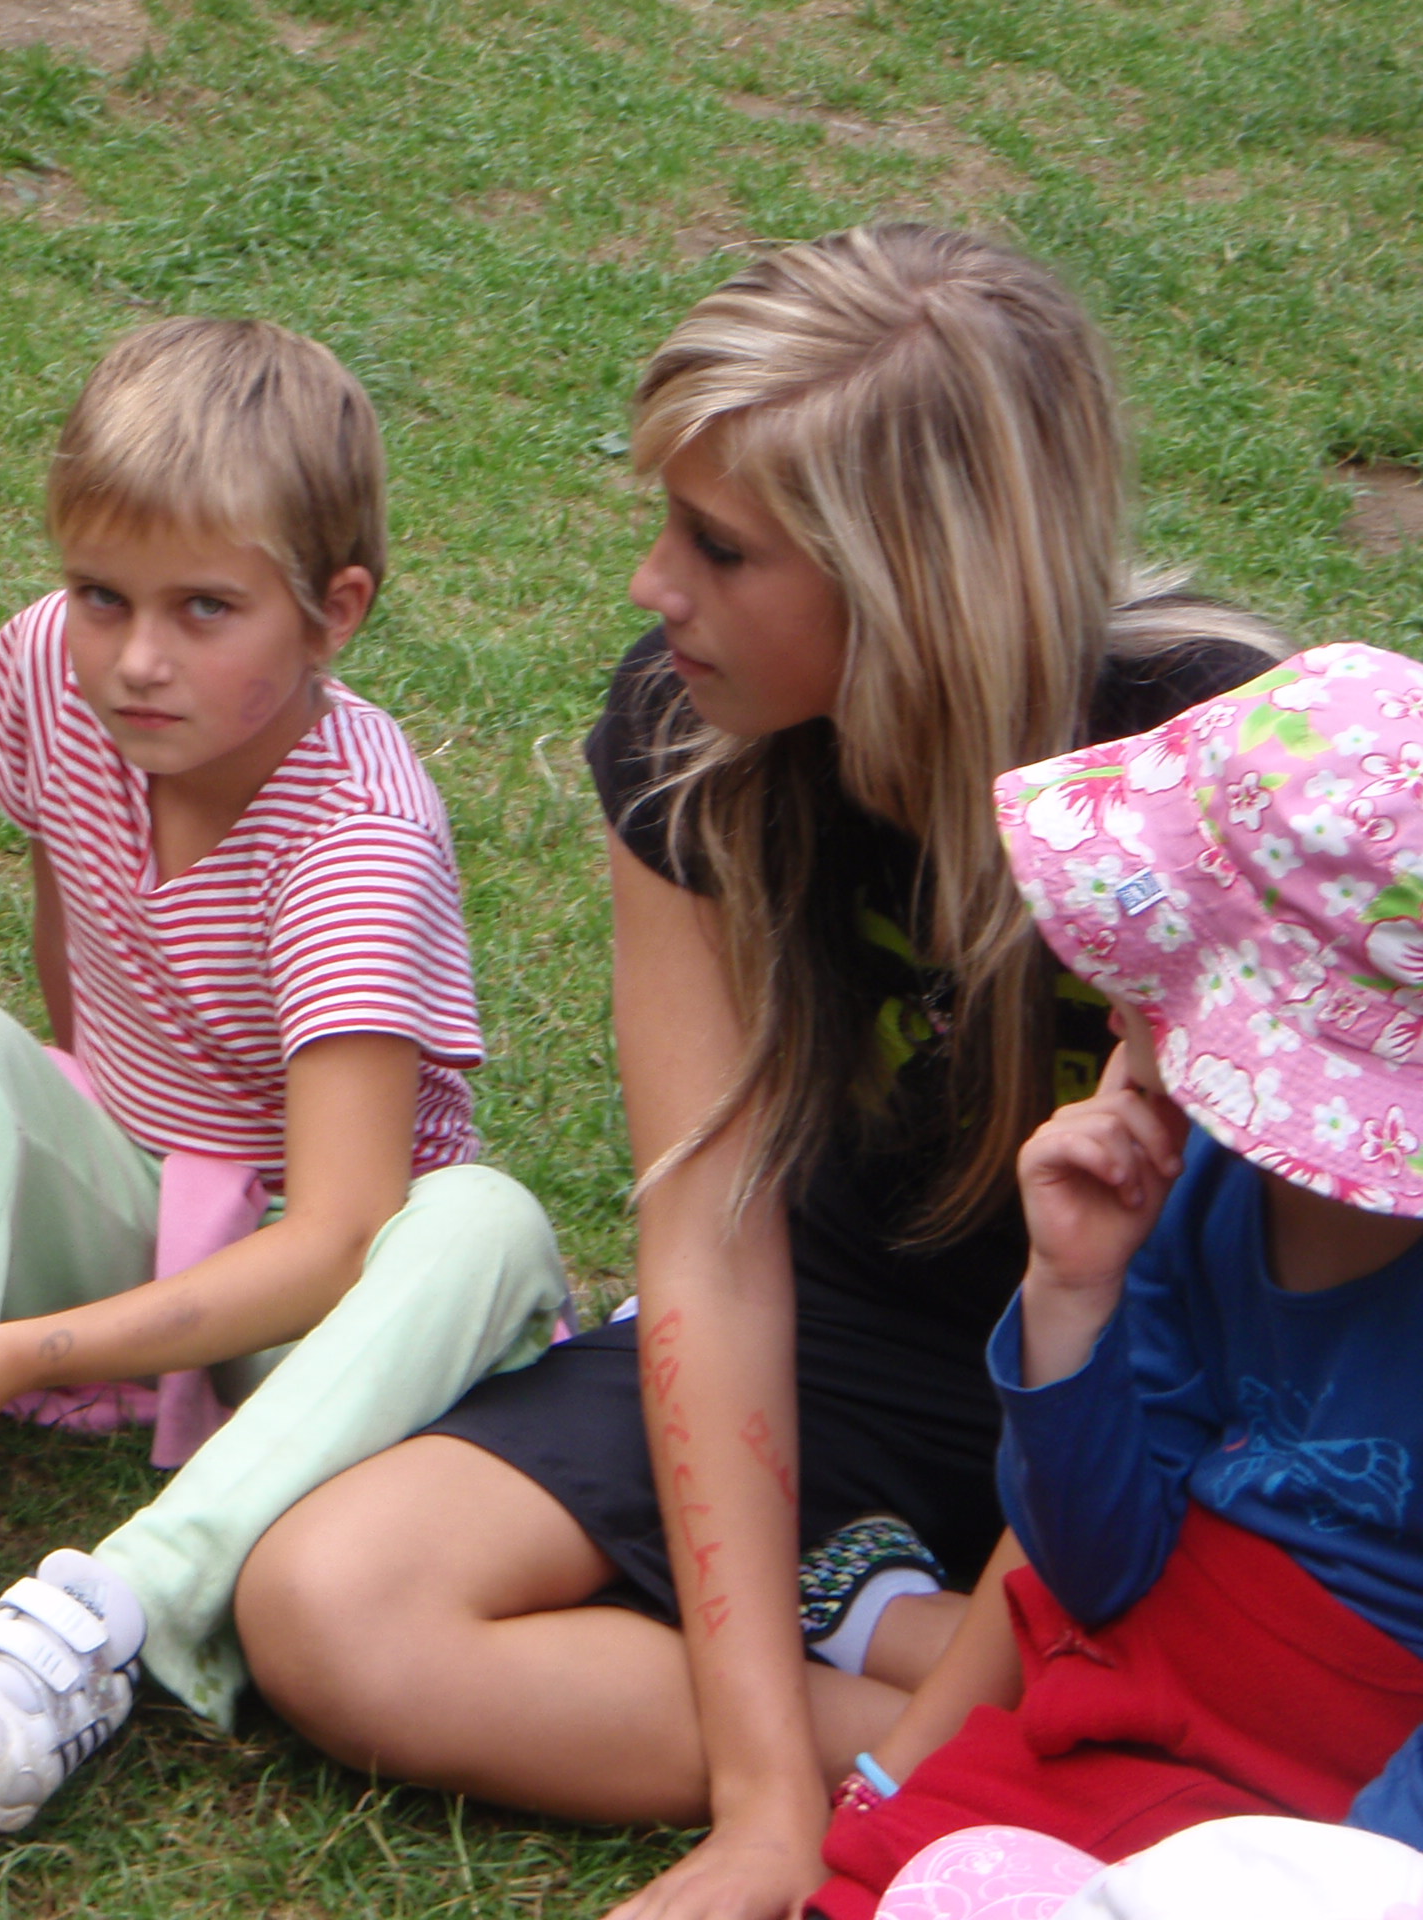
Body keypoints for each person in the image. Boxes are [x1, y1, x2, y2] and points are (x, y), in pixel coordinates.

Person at [230, 222, 1287, 1919]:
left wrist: (887, 1799)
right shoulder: (687, 732)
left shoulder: (1212, 775)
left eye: (720, 548)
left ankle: (966, 1672)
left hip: (1150, 1383)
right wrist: (767, 1801)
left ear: (909, 578)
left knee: (1318, 1647)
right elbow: (710, 1247)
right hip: (848, 1332)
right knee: (335, 1610)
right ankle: (1043, 1726)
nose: (655, 586)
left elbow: (1213, 1338)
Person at [0, 316, 567, 1833]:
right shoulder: (57, 672)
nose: (136, 658)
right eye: (103, 594)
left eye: (207, 608)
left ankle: (108, 1621)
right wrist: (49, 1173)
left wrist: (30, 1351)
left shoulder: (357, 836)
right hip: (137, 1183)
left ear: (335, 613)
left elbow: (339, 1235)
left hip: (319, 1310)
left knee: (483, 1226)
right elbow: (73, 946)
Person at [812, 642, 1423, 1916]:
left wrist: (1347, 1880)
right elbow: (1095, 1566)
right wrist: (1073, 1295)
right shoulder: (1202, 1194)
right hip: (1129, 1711)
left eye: (1167, 968)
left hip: (1338, 1807)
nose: (1116, 1000)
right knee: (904, 1875)